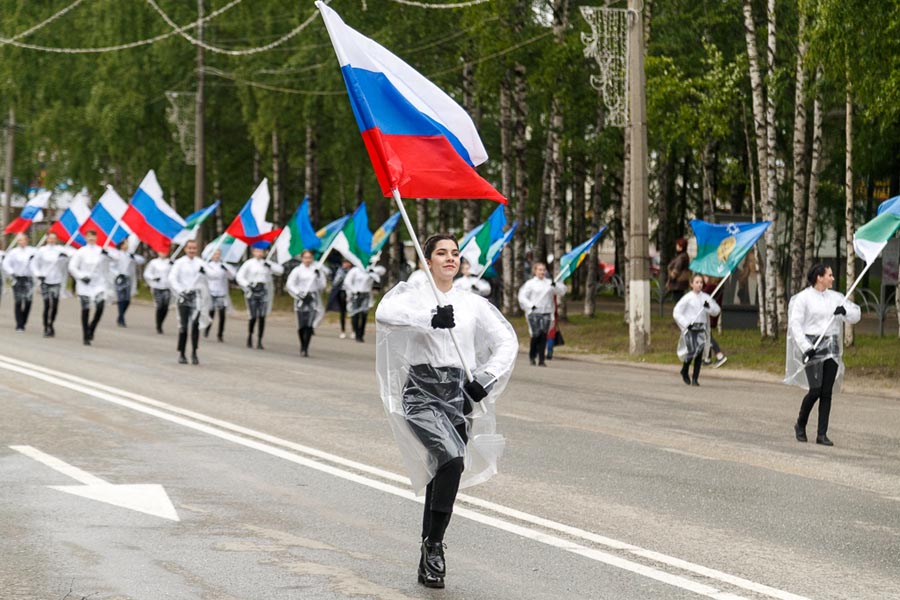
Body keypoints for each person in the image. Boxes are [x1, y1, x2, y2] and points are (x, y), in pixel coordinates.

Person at [375, 234, 517, 590]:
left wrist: (486, 378)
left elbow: (507, 341)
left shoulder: (472, 303)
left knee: (443, 471)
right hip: (421, 393)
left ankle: (428, 550)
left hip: (459, 394)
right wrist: (429, 318)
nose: (450, 258)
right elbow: (384, 313)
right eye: (442, 253)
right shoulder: (413, 296)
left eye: (455, 253)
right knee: (452, 458)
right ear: (428, 260)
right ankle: (436, 546)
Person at [785, 263, 861, 446]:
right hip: (813, 345)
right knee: (815, 389)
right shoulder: (803, 298)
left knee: (826, 392)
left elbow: (856, 314)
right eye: (830, 275)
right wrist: (806, 347)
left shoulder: (836, 298)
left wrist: (845, 311)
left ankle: (822, 434)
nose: (833, 278)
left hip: (832, 346)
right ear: (819, 277)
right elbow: (795, 324)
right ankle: (800, 424)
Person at [673, 273, 721, 386]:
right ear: (691, 284)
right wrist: (686, 323)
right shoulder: (687, 298)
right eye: (697, 282)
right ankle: (684, 370)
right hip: (691, 328)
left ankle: (695, 378)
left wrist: (708, 307)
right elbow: (676, 312)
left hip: (701, 328)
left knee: (699, 353)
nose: (699, 284)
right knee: (691, 352)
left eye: (701, 282)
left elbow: (716, 310)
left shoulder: (705, 297)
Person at [168, 240, 210, 365]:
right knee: (184, 326)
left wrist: (205, 272)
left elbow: (211, 276)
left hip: (196, 297)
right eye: (189, 248)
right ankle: (182, 352)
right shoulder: (180, 263)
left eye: (194, 248)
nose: (192, 250)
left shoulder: (201, 263)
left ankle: (194, 352)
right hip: (183, 297)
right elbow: (172, 278)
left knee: (195, 325)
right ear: (185, 249)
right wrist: (180, 290)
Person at [67, 230, 112, 345]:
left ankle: (92, 327)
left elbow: (111, 263)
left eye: (93, 236)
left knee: (100, 307)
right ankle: (85, 335)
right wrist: (81, 277)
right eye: (89, 236)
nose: (91, 238)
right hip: (84, 284)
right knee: (86, 308)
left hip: (98, 284)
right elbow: (72, 267)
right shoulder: (81, 252)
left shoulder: (101, 251)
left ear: (96, 238)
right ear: (85, 238)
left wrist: (107, 255)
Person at [235, 244, 284, 349]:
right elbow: (239, 276)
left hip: (263, 292)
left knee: (262, 316)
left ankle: (260, 340)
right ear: (253, 252)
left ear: (265, 252)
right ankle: (250, 336)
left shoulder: (267, 264)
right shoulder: (249, 264)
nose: (259, 253)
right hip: (252, 291)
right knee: (253, 316)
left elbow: (280, 271)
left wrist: (270, 266)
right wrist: (247, 284)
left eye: (261, 251)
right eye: (257, 251)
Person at [517, 262, 566, 366]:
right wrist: (530, 305)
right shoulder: (530, 284)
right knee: (536, 334)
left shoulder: (549, 283)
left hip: (546, 312)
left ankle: (541, 359)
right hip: (534, 313)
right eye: (540, 270)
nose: (542, 272)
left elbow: (561, 291)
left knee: (544, 335)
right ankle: (532, 355)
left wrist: (555, 286)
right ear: (535, 271)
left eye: (543, 270)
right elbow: (522, 296)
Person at [286, 249, 327, 357]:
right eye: (305, 257)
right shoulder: (297, 270)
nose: (307, 260)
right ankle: (301, 344)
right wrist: (298, 293)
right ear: (302, 258)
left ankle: (305, 348)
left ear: (312, 258)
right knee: (301, 325)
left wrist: (318, 277)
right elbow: (290, 283)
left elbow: (322, 286)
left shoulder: (317, 270)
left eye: (309, 258)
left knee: (309, 324)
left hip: (312, 298)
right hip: (301, 298)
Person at [30, 231, 72, 337]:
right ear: (47, 239)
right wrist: (38, 274)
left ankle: (51, 323)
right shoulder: (42, 251)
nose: (52, 240)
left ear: (56, 239)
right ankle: (46, 327)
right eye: (50, 238)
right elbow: (34, 263)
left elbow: (71, 257)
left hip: (56, 281)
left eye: (54, 238)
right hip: (45, 281)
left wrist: (65, 256)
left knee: (55, 305)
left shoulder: (60, 250)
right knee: (47, 304)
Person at [3, 233, 37, 332]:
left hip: (28, 279)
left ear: (27, 241)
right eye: (20, 240)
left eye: (24, 240)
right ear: (18, 242)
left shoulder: (33, 251)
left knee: (28, 301)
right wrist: (12, 273)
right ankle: (19, 324)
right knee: (18, 301)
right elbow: (6, 263)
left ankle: (24, 320)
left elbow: (39, 260)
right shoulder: (13, 252)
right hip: (17, 278)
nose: (22, 242)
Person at [110, 239, 146, 327]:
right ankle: (121, 318)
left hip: (128, 279)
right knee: (121, 298)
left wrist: (133, 257)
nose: (127, 245)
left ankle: (120, 316)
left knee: (127, 300)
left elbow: (142, 260)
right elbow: (111, 266)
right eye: (126, 243)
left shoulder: (129, 255)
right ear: (121, 245)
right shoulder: (117, 254)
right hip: (119, 279)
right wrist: (117, 274)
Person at [344, 263, 384, 342]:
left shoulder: (370, 270)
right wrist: (353, 290)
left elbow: (381, 273)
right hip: (355, 295)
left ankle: (361, 334)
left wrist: (372, 271)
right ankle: (356, 331)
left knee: (364, 315)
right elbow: (347, 282)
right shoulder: (355, 270)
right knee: (355, 315)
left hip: (366, 295)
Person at [204, 249, 235, 342]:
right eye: (214, 254)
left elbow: (232, 276)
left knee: (222, 314)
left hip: (221, 293)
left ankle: (220, 334)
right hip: (211, 292)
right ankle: (207, 328)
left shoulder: (224, 265)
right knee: (211, 313)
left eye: (218, 254)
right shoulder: (207, 265)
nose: (216, 256)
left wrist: (226, 270)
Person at [144, 250, 173, 334]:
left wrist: (172, 265)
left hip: (167, 287)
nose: (163, 253)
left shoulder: (170, 262)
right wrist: (153, 277)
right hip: (157, 287)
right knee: (160, 306)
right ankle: (158, 325)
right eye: (161, 251)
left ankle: (162, 321)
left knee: (166, 306)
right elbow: (147, 273)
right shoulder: (154, 262)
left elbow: (174, 273)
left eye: (164, 251)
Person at [701, 275, 728, 368]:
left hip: (708, 315)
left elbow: (701, 297)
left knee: (707, 336)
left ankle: (719, 355)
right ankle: (707, 358)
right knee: (708, 334)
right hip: (711, 315)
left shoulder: (711, 287)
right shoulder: (717, 287)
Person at [326, 258, 352, 339]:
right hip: (342, 292)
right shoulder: (340, 271)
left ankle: (354, 330)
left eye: (347, 262)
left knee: (353, 313)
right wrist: (341, 276)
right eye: (344, 262)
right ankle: (343, 330)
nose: (345, 264)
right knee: (342, 312)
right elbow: (334, 282)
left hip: (352, 293)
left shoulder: (353, 271)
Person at [666, 237, 691, 302]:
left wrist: (671, 278)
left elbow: (677, 269)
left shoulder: (681, 257)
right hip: (681, 283)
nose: (676, 247)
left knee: (678, 301)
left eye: (677, 245)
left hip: (678, 283)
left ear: (681, 247)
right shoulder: (683, 256)